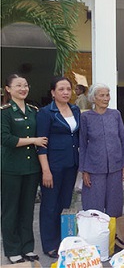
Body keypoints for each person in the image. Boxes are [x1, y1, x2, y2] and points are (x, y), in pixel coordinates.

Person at [1, 74, 48, 264]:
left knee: (27, 210)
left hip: (31, 169)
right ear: (8, 89)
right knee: (11, 210)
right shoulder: (5, 112)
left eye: (26, 85)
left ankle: (27, 247)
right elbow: (6, 139)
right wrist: (33, 141)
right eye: (18, 85)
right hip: (11, 168)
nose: (23, 88)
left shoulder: (33, 110)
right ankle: (12, 249)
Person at [36, 77, 80, 258]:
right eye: (61, 89)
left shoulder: (76, 110)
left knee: (64, 203)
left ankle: (64, 239)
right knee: (50, 205)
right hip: (52, 166)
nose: (65, 93)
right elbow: (41, 144)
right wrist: (45, 170)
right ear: (53, 92)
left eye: (68, 89)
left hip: (71, 164)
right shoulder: (46, 113)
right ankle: (50, 244)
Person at [79, 83, 124, 217]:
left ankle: (113, 234)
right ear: (93, 98)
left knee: (114, 205)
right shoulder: (86, 117)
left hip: (115, 166)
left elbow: (122, 139)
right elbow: (83, 144)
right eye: (102, 95)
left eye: (107, 95)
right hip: (94, 168)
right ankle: (95, 235)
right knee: (93, 205)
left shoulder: (115, 114)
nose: (106, 98)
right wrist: (84, 170)